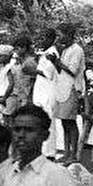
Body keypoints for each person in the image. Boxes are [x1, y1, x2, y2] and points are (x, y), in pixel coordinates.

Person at [50, 22, 86, 163]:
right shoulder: (65, 50)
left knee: (70, 122)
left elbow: (72, 70)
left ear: (68, 35)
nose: (58, 38)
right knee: (64, 122)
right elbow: (60, 71)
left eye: (60, 35)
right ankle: (66, 152)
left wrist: (57, 62)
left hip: (71, 88)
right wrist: (55, 62)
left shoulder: (77, 50)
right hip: (62, 88)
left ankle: (73, 155)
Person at [32, 28, 59, 159]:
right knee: (40, 121)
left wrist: (34, 70)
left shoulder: (52, 53)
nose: (42, 41)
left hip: (48, 92)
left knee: (48, 122)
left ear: (51, 39)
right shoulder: (45, 53)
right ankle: (43, 150)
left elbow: (49, 73)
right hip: (41, 92)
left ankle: (49, 152)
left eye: (44, 38)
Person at [0, 44, 17, 124]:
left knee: (10, 119)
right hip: (3, 97)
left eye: (0, 56)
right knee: (5, 119)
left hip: (9, 96)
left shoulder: (9, 67)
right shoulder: (2, 68)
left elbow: (11, 83)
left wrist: (5, 97)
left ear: (7, 57)